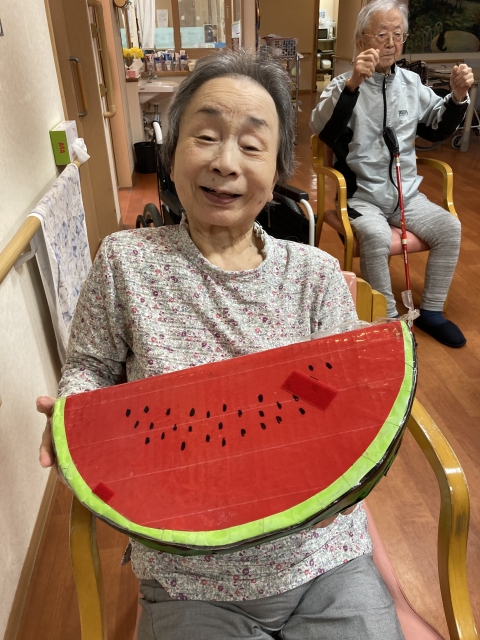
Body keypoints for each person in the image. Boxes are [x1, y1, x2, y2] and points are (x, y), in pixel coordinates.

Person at [38, 50, 405, 639]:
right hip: (187, 571)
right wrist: (75, 418)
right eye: (205, 136)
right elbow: (90, 365)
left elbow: (343, 406)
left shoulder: (313, 274)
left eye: (252, 146)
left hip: (323, 558)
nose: (225, 163)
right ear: (172, 153)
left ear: (277, 169)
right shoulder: (126, 262)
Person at [310, 0, 474, 348]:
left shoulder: (411, 83)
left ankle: (432, 312)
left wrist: (458, 96)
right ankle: (384, 321)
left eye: (397, 35)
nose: (390, 43)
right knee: (375, 235)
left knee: (450, 227)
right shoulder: (342, 85)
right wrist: (353, 85)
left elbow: (435, 127)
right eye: (381, 34)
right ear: (361, 40)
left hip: (406, 196)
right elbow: (323, 130)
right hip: (361, 198)